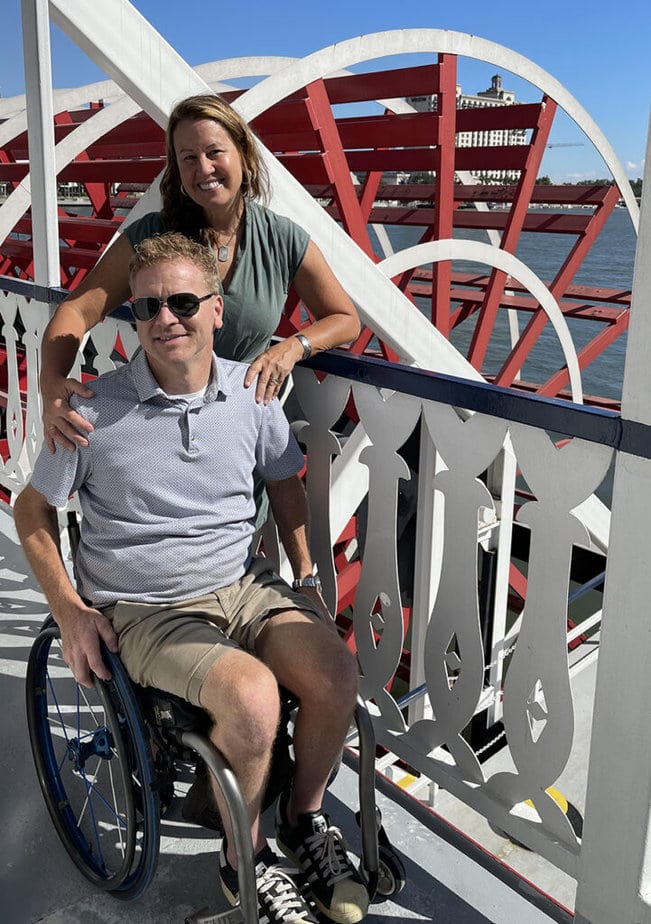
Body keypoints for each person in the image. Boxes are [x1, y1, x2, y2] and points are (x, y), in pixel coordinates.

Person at [15, 233, 369, 924]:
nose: (164, 318)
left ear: (214, 308)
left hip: (243, 583)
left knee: (334, 674)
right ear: (134, 317)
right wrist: (68, 609)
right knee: (253, 697)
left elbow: (284, 483)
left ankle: (302, 820)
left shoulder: (253, 390)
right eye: (147, 306)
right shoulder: (90, 407)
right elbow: (32, 511)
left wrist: (303, 573)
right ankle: (246, 865)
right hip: (147, 608)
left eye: (182, 302)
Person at [40, 93, 361, 451]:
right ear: (177, 169)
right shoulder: (151, 234)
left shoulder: (281, 237)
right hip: (151, 424)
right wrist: (50, 383)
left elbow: (345, 318)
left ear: (243, 153)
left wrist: (293, 347)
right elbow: (78, 309)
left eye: (214, 152)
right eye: (188, 158)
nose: (204, 168)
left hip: (238, 432)